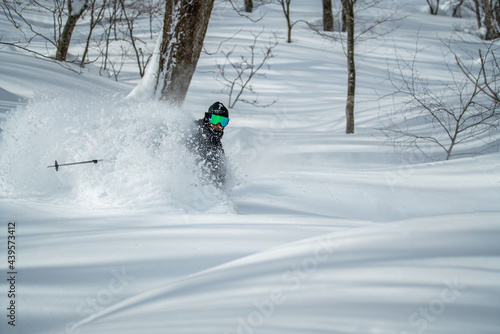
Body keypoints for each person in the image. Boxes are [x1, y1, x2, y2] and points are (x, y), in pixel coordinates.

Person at [186, 101, 230, 187]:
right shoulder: (194, 129)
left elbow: (221, 170)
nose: (218, 125)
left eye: (223, 121)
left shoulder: (216, 142)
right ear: (208, 118)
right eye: (215, 120)